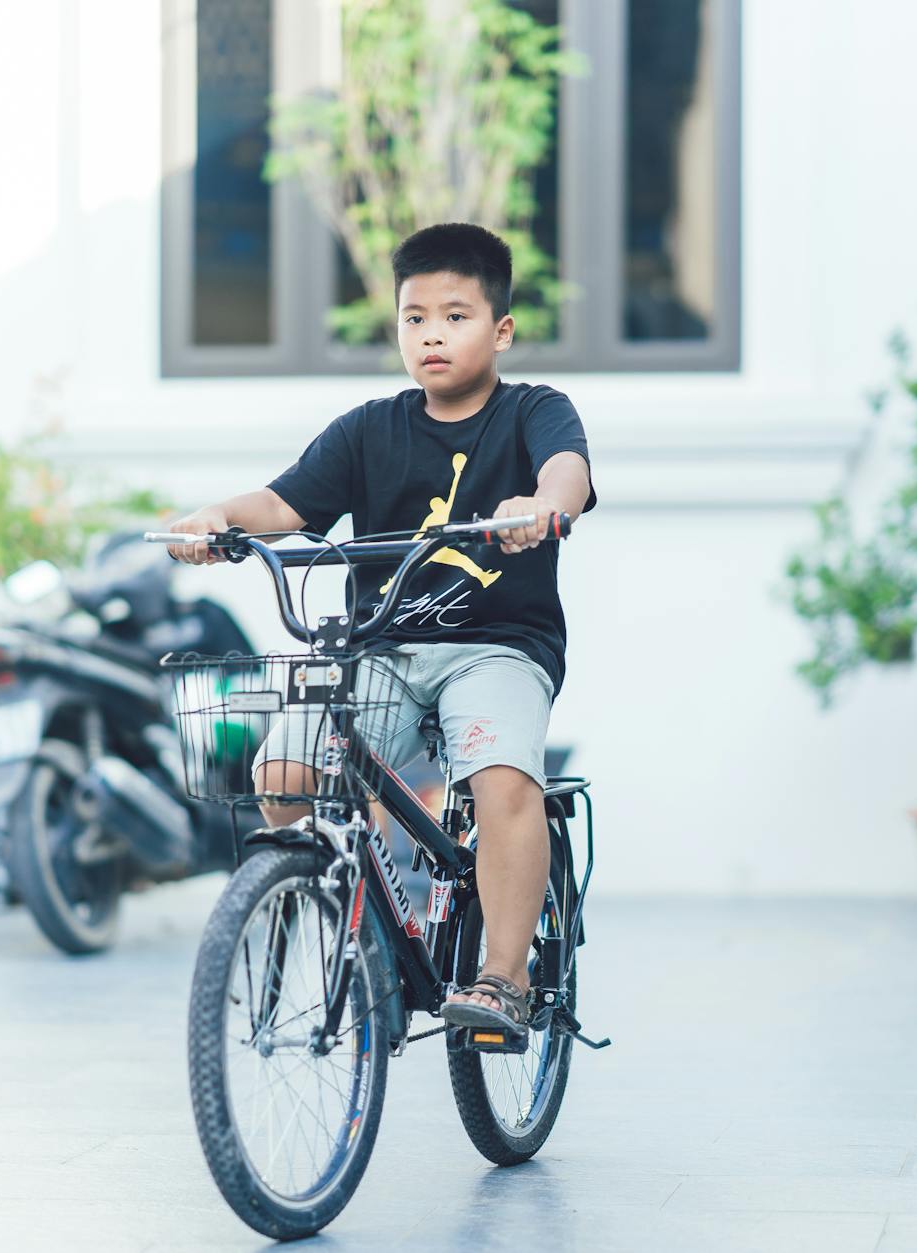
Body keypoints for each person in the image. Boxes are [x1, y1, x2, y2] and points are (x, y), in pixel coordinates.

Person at [165, 222, 596, 1041]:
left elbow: (566, 471)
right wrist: (219, 516)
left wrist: (541, 506)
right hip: (383, 651)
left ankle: (502, 975)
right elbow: (285, 505)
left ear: (500, 329)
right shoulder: (369, 428)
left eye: (456, 315)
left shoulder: (534, 412)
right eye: (414, 317)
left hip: (496, 644)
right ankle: (324, 901)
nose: (432, 333)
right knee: (285, 768)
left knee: (503, 779)